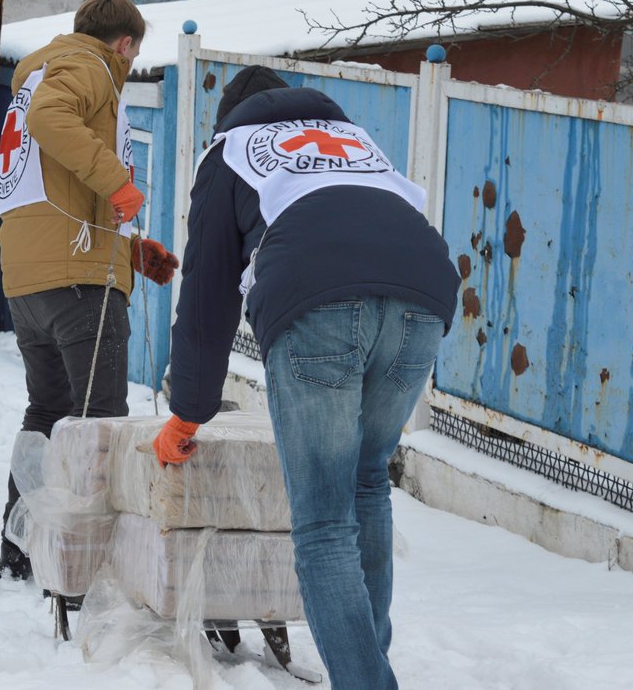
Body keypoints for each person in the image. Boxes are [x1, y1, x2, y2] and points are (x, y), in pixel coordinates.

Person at [155, 66, 460, 689]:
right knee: (367, 481)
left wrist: (188, 410)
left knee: (322, 523)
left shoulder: (231, 150)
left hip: (317, 302)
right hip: (423, 297)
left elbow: (208, 292)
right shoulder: (357, 142)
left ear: (229, 118)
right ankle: (368, 666)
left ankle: (365, 682)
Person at [0, 0, 179, 579]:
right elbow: (55, 121)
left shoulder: (39, 72)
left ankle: (19, 549)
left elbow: (54, 193)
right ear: (125, 44)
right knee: (99, 424)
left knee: (47, 413)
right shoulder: (90, 66)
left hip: (30, 281)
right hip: (76, 287)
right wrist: (119, 181)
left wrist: (126, 253)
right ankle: (82, 561)